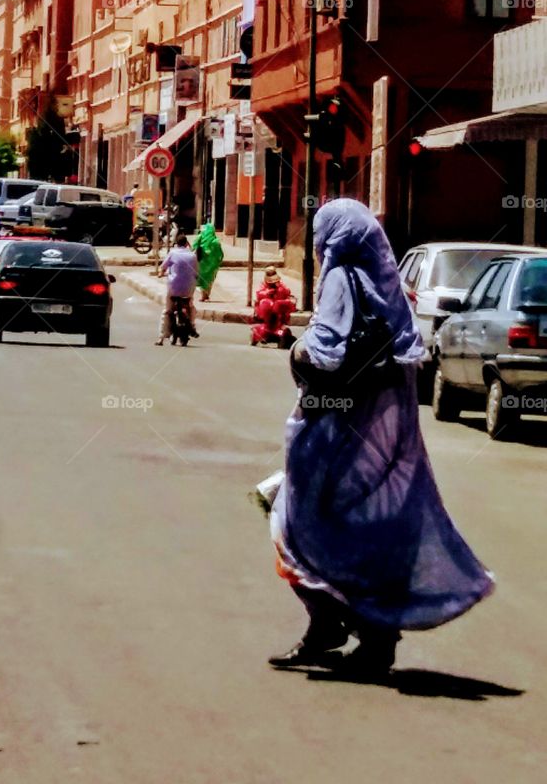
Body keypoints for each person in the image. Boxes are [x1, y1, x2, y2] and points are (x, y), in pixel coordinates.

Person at [268, 198, 494, 676]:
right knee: (368, 532)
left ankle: (332, 624)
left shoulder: (338, 280)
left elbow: (325, 355)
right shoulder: (391, 290)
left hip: (332, 435)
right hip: (382, 446)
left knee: (291, 523)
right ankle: (370, 639)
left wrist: (296, 349)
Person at [155, 233, 198, 345]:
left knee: (167, 310)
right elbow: (196, 273)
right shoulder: (192, 255)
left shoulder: (172, 253)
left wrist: (160, 273)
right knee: (191, 306)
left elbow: (163, 267)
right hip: (188, 288)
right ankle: (192, 325)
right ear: (186, 244)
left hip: (173, 287)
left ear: (176, 244)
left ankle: (160, 338)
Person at [192, 221, 224, 301]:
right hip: (212, 264)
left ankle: (204, 295)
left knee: (202, 278)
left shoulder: (200, 237)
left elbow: (194, 246)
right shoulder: (215, 241)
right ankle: (206, 295)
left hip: (202, 262)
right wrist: (219, 261)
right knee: (209, 279)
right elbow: (220, 254)